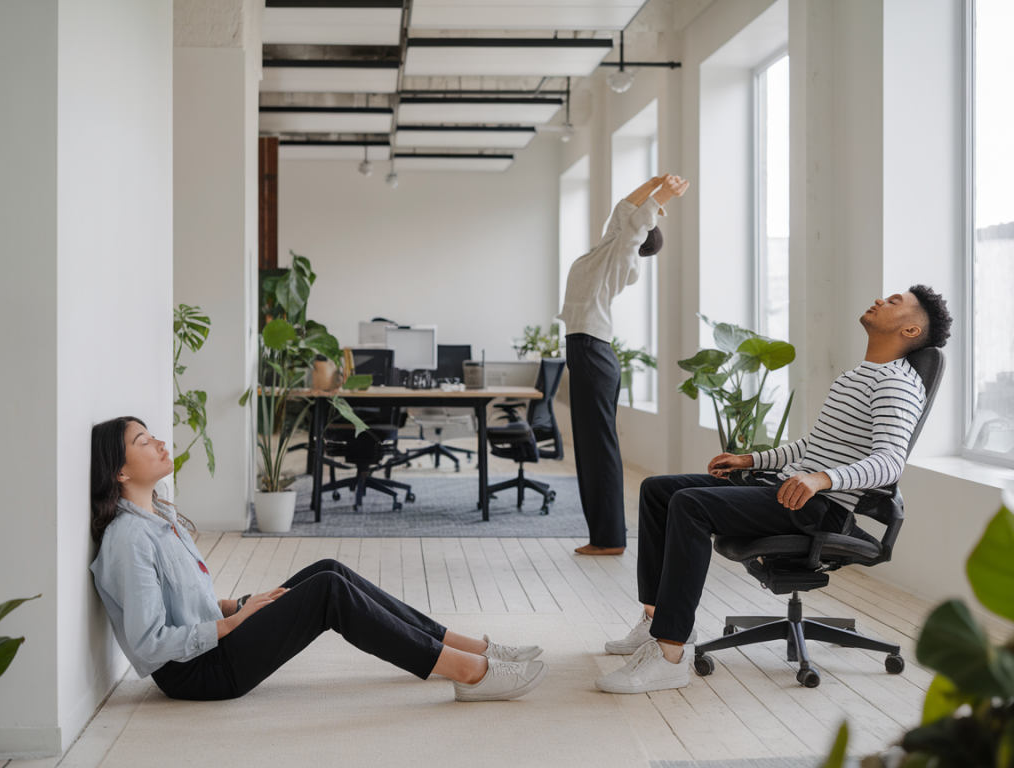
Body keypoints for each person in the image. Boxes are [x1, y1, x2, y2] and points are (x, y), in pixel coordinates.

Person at [595, 285, 952, 694]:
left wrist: (821, 479)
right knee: (659, 490)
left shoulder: (897, 384)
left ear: (909, 330)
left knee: (690, 504)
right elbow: (812, 448)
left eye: (894, 302)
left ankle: (670, 654)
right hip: (789, 489)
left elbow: (891, 462)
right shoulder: (859, 375)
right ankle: (655, 618)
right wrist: (751, 460)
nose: (880, 299)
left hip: (819, 506)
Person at [89, 416, 547, 702]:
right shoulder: (128, 538)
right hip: (199, 673)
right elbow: (150, 643)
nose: (160, 444)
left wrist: (237, 606)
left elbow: (185, 600)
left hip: (213, 643)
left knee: (329, 570)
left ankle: (472, 647)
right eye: (144, 441)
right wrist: (231, 624)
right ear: (120, 470)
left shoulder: (158, 515)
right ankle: (469, 672)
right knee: (328, 594)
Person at [558, 174, 691, 557]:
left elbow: (635, 223)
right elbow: (624, 213)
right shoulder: (604, 250)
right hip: (587, 350)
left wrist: (665, 195)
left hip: (591, 350)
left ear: (637, 242)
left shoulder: (620, 257)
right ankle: (604, 535)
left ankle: (609, 538)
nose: (624, 226)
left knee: (598, 448)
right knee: (591, 446)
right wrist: (652, 181)